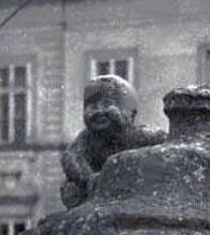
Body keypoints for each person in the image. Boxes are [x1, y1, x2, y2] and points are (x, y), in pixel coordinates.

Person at [60, 74, 166, 208]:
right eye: (92, 106)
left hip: (133, 189)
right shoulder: (86, 139)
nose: (99, 111)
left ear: (130, 114)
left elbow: (164, 141)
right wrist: (89, 179)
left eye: (107, 104)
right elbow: (72, 157)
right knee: (70, 189)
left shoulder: (139, 136)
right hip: (95, 190)